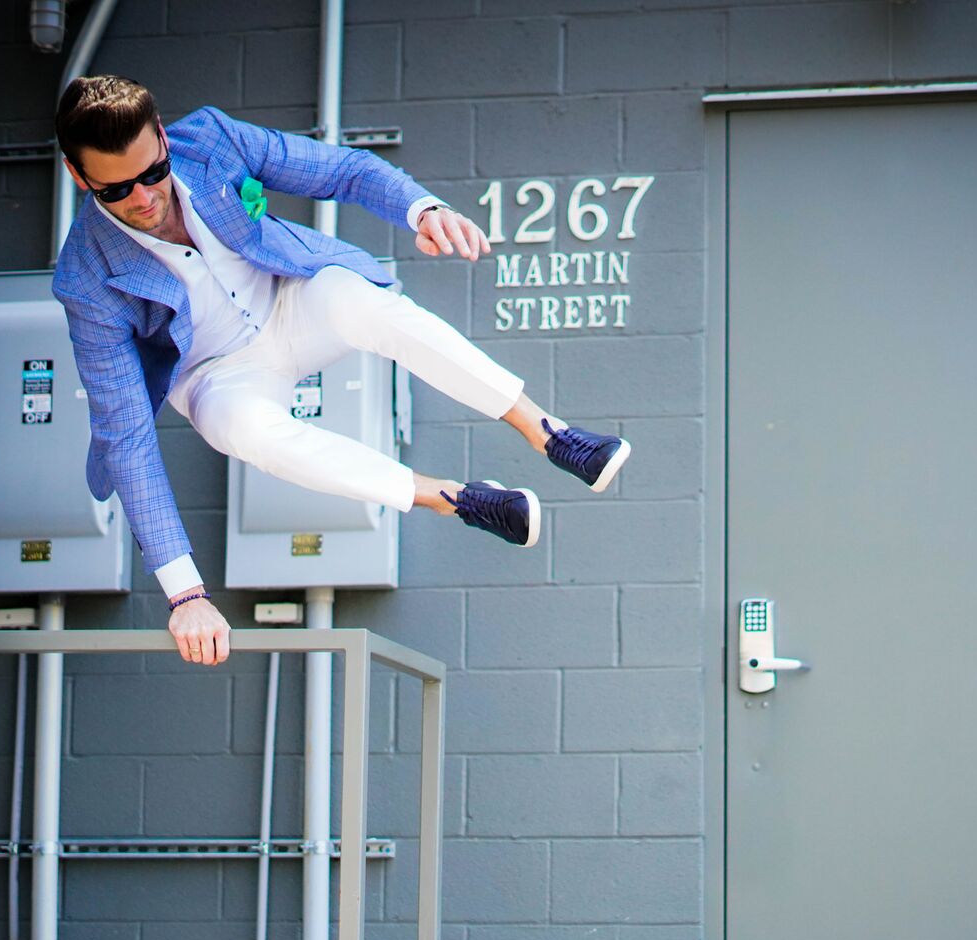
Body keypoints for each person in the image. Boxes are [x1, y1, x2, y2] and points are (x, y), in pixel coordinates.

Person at [50, 75, 633, 667]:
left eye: (154, 173)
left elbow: (342, 170)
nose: (145, 199)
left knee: (355, 299)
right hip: (217, 374)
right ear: (78, 175)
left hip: (291, 301)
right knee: (242, 430)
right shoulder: (85, 277)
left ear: (162, 137)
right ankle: (455, 499)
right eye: (117, 190)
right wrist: (186, 596)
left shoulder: (209, 140)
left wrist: (423, 210)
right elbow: (126, 436)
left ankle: (547, 432)